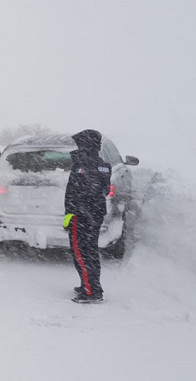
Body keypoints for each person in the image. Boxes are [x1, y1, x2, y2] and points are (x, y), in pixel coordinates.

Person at [63, 129, 111, 303]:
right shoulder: (104, 165)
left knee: (81, 253)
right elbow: (104, 190)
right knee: (90, 252)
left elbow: (73, 192)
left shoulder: (81, 165)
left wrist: (71, 213)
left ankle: (91, 291)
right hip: (95, 214)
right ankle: (90, 285)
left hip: (81, 216)